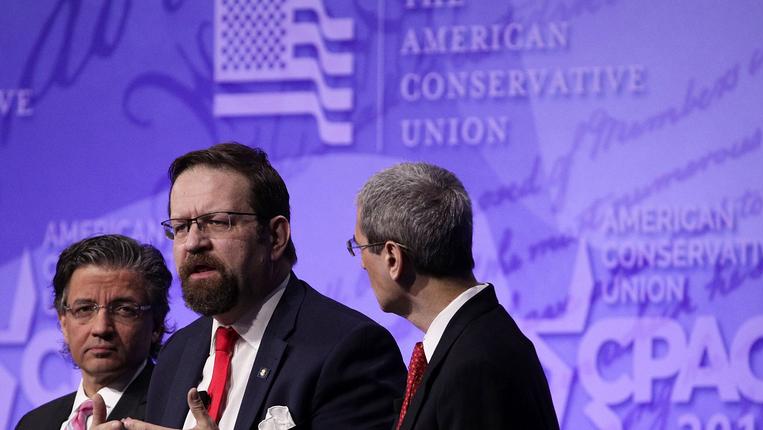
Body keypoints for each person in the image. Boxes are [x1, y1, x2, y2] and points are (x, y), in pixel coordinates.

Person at [131, 143, 405, 430]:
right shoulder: (176, 353)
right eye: (181, 227)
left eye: (216, 222)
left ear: (275, 237)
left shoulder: (349, 348)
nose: (193, 243)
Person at [352, 162, 561, 430]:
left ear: (393, 258)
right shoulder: (475, 341)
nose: (361, 263)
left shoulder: (475, 366)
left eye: (362, 246)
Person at [15, 234, 172, 430]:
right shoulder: (33, 424)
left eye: (123, 309)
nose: (101, 328)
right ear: (63, 322)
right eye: (85, 309)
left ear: (156, 324)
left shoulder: (175, 412)